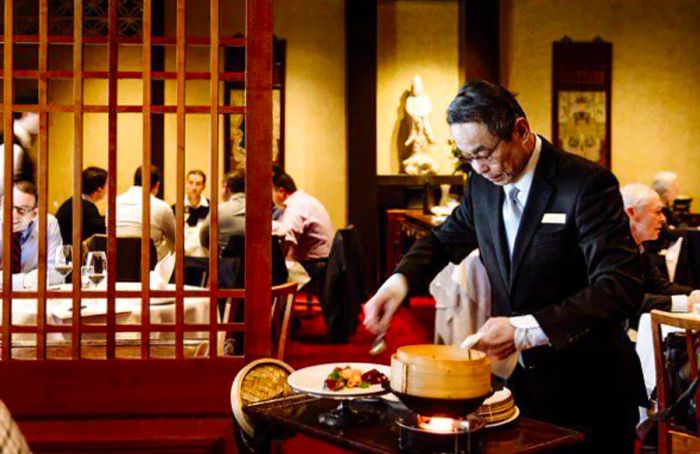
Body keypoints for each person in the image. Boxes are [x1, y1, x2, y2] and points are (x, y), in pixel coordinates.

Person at [364, 80, 646, 452]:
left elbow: (619, 286)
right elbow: (443, 239)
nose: (480, 168)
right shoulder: (482, 185)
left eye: (485, 153)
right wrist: (397, 283)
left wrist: (523, 329)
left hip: (592, 386)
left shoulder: (585, 184)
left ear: (520, 130)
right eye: (469, 159)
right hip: (525, 386)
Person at [621, 183, 700, 326]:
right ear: (631, 213)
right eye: (657, 212)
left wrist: (695, 293)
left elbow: (660, 286)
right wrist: (685, 302)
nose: (663, 219)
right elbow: (628, 301)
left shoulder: (640, 245)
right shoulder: (613, 250)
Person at [272, 170, 333, 285]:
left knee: (273, 271)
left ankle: (276, 302)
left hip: (314, 266)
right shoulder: (305, 200)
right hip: (324, 262)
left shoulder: (296, 207)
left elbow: (286, 238)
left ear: (281, 191)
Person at [0, 180, 63, 289]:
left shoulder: (47, 224)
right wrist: (26, 280)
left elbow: (58, 272)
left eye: (22, 210)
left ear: (34, 214)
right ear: (1, 203)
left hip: (33, 298)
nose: (12, 215)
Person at [116, 165, 175, 260]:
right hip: (150, 270)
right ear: (157, 185)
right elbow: (176, 243)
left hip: (116, 266)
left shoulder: (113, 203)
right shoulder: (161, 207)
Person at [55, 166, 107, 245]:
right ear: (99, 188)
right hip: (68, 253)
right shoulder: (86, 207)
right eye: (107, 185)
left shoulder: (74, 202)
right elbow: (98, 229)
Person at [200, 170, 246, 250]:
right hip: (256, 261)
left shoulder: (219, 210)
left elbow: (204, 239)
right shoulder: (259, 210)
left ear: (225, 188)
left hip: (225, 260)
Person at [0, 110, 40, 196]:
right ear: (25, 113)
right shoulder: (13, 148)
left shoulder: (13, 142)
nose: (45, 118)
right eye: (38, 113)